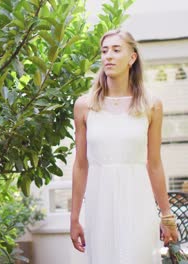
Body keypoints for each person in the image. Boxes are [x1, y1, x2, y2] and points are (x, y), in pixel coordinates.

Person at [69, 29, 179, 263]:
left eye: (116, 50)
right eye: (104, 51)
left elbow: (155, 164)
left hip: (137, 202)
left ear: (132, 58)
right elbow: (80, 166)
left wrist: (167, 216)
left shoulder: (151, 105)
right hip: (99, 204)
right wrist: (74, 217)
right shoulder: (84, 106)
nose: (108, 56)